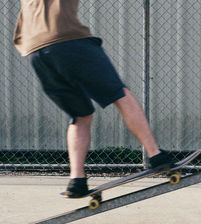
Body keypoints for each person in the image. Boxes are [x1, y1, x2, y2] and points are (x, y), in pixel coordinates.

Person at [13, 0, 173, 197]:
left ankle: (77, 180)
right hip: (68, 41)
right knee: (121, 96)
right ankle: (156, 155)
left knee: (80, 115)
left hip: (36, 52)